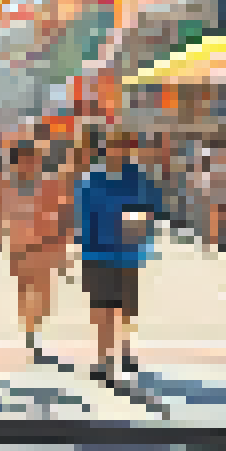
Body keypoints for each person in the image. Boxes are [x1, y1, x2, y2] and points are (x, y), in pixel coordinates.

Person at [76, 130, 161, 384]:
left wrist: (138, 230)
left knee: (124, 310)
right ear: (106, 149)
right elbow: (83, 215)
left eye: (125, 147)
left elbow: (149, 211)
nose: (120, 151)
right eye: (115, 147)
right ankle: (103, 360)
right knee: (102, 310)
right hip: (96, 253)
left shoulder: (138, 178)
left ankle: (124, 350)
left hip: (126, 254)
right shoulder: (92, 178)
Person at [1, 139, 71, 360]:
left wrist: (61, 244)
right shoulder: (6, 186)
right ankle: (30, 331)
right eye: (24, 159)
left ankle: (35, 331)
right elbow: (4, 216)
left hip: (44, 244)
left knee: (42, 292)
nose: (29, 163)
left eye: (33, 159)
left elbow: (63, 213)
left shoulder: (49, 184)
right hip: (20, 247)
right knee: (25, 289)